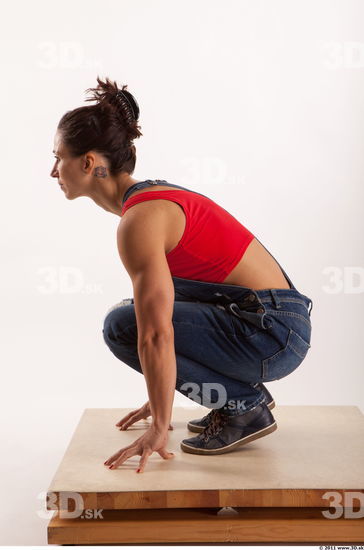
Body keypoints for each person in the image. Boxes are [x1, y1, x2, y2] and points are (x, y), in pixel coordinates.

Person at [50, 76, 313, 474]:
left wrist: (160, 423)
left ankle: (243, 407)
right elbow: (170, 317)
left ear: (88, 163)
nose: (53, 171)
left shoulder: (140, 220)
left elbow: (156, 333)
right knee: (132, 313)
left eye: (58, 157)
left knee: (122, 324)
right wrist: (168, 388)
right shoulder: (150, 201)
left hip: (271, 333)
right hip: (273, 324)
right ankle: (236, 399)